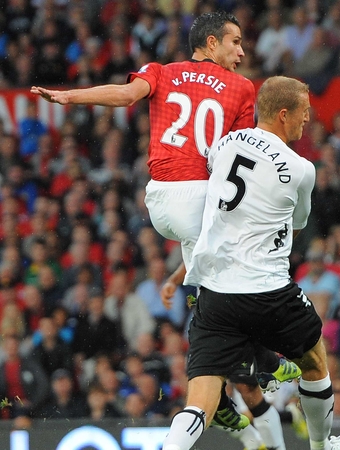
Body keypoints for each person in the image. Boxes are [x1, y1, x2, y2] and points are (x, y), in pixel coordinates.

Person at [31, 11, 299, 447]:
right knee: (246, 280)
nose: (242, 52)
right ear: (211, 44)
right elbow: (238, 158)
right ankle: (258, 363)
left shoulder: (163, 71)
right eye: (234, 43)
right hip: (202, 199)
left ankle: (242, 384)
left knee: (215, 287)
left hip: (161, 200)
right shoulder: (243, 88)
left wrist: (69, 98)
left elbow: (123, 95)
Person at [163, 76, 340, 450]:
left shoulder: (225, 143)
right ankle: (323, 447)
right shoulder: (301, 168)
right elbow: (300, 221)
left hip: (216, 294)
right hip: (267, 291)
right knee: (314, 361)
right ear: (284, 114)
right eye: (304, 114)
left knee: (200, 402)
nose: (307, 121)